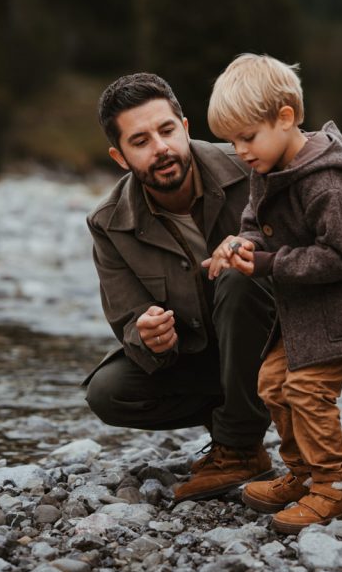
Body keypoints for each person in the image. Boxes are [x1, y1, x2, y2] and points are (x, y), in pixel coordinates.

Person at [204, 54, 342, 534]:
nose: (240, 151)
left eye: (248, 137)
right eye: (232, 140)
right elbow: (254, 224)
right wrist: (242, 245)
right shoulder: (269, 164)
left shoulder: (335, 183)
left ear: (285, 117)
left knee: (307, 387)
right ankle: (303, 475)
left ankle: (337, 491)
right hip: (317, 302)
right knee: (273, 382)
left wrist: (268, 263)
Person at [83, 72, 276, 501]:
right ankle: (237, 417)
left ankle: (239, 447)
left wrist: (255, 258)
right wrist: (148, 334)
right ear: (120, 157)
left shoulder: (252, 167)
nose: (161, 148)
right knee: (107, 392)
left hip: (282, 343)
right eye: (141, 141)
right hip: (204, 355)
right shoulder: (109, 223)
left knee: (238, 275)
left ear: (185, 128)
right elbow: (127, 317)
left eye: (167, 130)